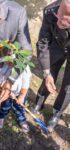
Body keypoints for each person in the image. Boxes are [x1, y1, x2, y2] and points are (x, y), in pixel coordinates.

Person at [32, 0, 70, 131]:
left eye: (66, 22)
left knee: (68, 87)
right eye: (59, 17)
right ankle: (39, 102)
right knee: (49, 75)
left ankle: (57, 113)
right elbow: (43, 42)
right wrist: (46, 72)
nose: (59, 23)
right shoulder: (50, 11)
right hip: (57, 45)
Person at [0, 53, 32, 133]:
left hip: (19, 93)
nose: (10, 64)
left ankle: (21, 119)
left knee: (19, 107)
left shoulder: (23, 67)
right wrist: (6, 90)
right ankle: (1, 116)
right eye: (7, 61)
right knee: (4, 106)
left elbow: (26, 83)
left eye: (12, 61)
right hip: (6, 93)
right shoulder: (1, 66)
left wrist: (22, 96)